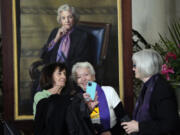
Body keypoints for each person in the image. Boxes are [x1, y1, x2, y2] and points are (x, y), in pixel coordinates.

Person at [121, 49, 180, 135]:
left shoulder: (162, 89)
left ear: (145, 66)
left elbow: (169, 124)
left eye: (135, 65)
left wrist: (139, 126)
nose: (133, 69)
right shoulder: (148, 86)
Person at [34, 62, 96, 135]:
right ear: (49, 76)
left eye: (64, 74)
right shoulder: (40, 96)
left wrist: (87, 108)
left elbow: (74, 119)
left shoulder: (69, 97)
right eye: (59, 73)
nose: (63, 77)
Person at [71, 61, 125, 135]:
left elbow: (123, 118)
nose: (83, 79)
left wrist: (111, 132)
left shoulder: (109, 91)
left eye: (86, 74)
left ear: (93, 77)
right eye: (79, 77)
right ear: (77, 82)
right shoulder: (76, 100)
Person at [40, 4, 93, 74]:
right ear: (60, 20)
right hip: (52, 70)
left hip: (69, 71)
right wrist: (56, 39)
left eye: (70, 17)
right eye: (63, 18)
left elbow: (81, 60)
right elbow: (44, 55)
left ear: (74, 18)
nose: (67, 21)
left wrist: (61, 69)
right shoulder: (55, 32)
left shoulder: (82, 36)